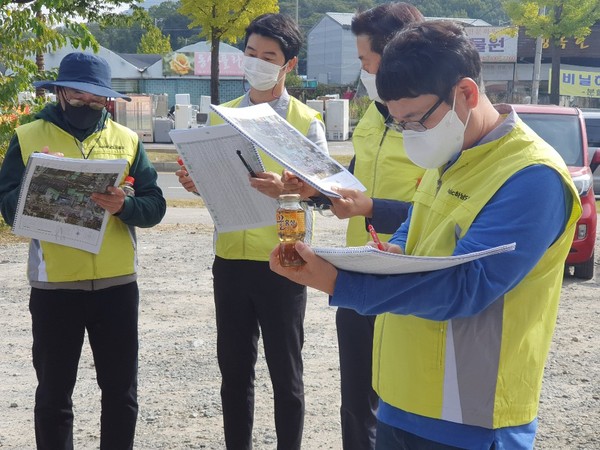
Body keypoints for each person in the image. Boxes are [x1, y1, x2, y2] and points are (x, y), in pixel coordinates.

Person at [270, 20, 582, 449]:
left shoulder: (532, 177)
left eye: (416, 120)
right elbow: (412, 238)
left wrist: (340, 282)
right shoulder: (452, 155)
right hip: (401, 398)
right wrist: (371, 255)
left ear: (467, 94)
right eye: (400, 124)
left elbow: (466, 287)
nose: (411, 136)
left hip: (469, 419)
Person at [0, 52, 166, 450]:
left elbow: (155, 205)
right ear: (59, 92)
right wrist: (36, 187)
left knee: (121, 392)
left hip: (118, 286)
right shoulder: (27, 136)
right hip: (55, 286)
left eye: (96, 98)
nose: (87, 103)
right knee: (54, 394)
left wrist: (124, 206)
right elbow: (6, 206)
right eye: (77, 94)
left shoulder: (126, 140)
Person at [176, 13, 327, 450]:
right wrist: (197, 181)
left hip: (285, 262)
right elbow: (218, 184)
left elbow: (322, 192)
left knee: (286, 374)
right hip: (231, 261)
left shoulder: (304, 121)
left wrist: (288, 191)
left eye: (269, 56)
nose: (257, 62)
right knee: (235, 373)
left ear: (288, 65)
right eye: (251, 53)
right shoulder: (226, 116)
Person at [284, 4, 425, 449]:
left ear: (397, 56)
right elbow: (352, 181)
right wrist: (311, 190)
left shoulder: (435, 123)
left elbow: (445, 214)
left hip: (409, 274)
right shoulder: (372, 114)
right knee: (356, 400)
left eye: (366, 61)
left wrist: (372, 209)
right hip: (358, 271)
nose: (362, 70)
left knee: (403, 402)